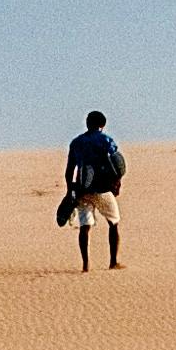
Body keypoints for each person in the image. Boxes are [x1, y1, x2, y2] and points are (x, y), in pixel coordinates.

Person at [62, 110, 124, 270]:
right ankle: (113, 261)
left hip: (83, 189)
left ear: (88, 124)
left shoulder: (76, 143)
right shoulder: (106, 140)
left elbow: (69, 170)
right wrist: (117, 183)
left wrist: (70, 191)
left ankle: (85, 264)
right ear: (102, 125)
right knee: (114, 222)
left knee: (85, 226)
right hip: (102, 189)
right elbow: (117, 164)